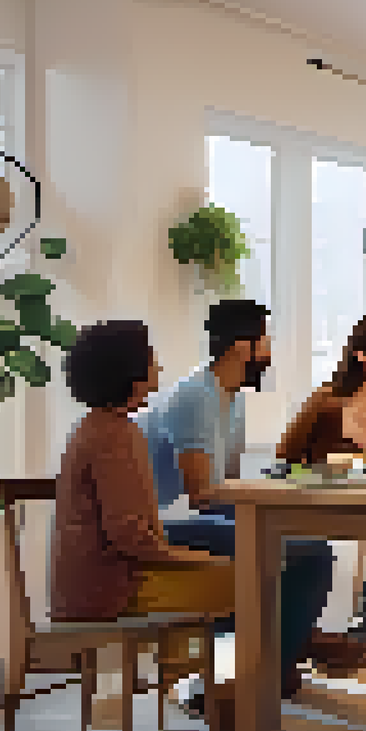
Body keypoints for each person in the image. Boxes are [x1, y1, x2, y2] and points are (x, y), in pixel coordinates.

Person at [135, 300, 346, 708]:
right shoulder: (196, 396)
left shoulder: (232, 399)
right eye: (265, 341)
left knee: (302, 547)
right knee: (310, 553)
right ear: (241, 347)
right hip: (163, 523)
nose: (269, 353)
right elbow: (201, 494)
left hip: (195, 515)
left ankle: (273, 659)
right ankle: (268, 669)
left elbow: (227, 485)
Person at [50, 321, 234, 731]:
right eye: (151, 355)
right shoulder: (117, 435)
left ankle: (205, 684)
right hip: (111, 590)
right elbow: (129, 535)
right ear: (130, 369)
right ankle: (243, 703)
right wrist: (192, 559)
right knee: (260, 579)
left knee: (245, 567)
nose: (158, 363)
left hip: (92, 582)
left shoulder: (97, 427)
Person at [274, 315, 366, 672]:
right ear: (361, 356)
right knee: (348, 544)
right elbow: (283, 461)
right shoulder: (327, 403)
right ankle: (324, 638)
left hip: (362, 511)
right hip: (315, 510)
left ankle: (360, 634)